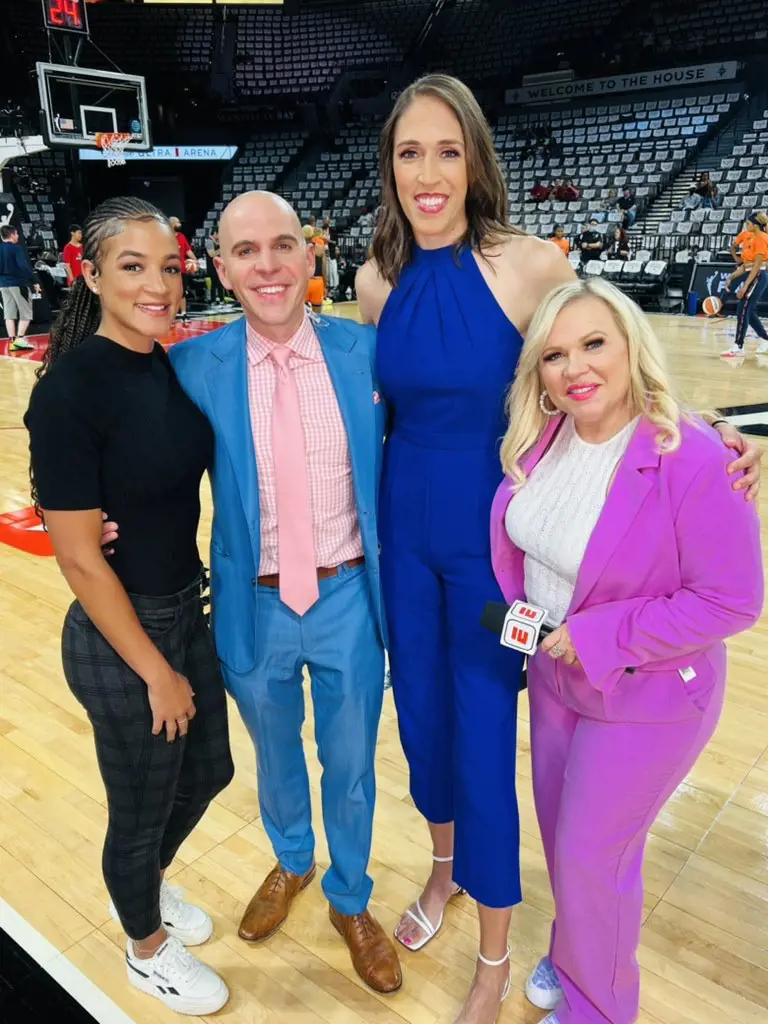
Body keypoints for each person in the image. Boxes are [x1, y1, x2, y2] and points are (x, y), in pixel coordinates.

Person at [355, 73, 762, 1024]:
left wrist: (715, 430)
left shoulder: (530, 264)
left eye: (447, 150)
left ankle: (497, 956)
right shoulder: (376, 282)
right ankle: (444, 872)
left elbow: (602, 361)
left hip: (491, 557)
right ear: (389, 165)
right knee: (421, 729)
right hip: (403, 544)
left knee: (487, 737)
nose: (428, 172)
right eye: (409, 151)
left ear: (475, 160)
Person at [121, 191, 401, 994]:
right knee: (274, 756)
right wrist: (92, 508)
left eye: (284, 246)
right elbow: (113, 422)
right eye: (247, 251)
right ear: (222, 269)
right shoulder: (190, 366)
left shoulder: (367, 353)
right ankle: (292, 862)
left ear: (310, 257)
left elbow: (471, 415)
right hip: (254, 602)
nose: (268, 264)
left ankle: (350, 897)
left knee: (349, 763)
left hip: (349, 595)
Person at [491, 277, 763, 1024]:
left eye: (593, 344)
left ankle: (598, 1009)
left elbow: (733, 600)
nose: (575, 368)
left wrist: (602, 635)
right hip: (555, 679)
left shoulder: (695, 455)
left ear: (630, 345)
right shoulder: (544, 437)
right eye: (554, 355)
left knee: (588, 855)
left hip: (648, 698)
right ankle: (579, 953)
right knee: (572, 846)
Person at [24, 198, 233, 1016]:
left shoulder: (163, 365)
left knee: (209, 770)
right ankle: (144, 946)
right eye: (133, 267)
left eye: (170, 268)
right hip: (125, 640)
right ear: (91, 274)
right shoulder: (72, 388)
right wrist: (155, 670)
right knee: (140, 810)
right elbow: (79, 554)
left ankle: (140, 889)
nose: (159, 286)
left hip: (186, 610)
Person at [721, 212, 768, 358]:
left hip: (758, 276)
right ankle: (766, 339)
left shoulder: (761, 238)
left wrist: (745, 286)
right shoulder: (754, 238)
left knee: (742, 309)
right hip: (755, 274)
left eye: (748, 224)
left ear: (755, 225)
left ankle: (738, 346)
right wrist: (731, 277)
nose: (746, 226)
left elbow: (757, 266)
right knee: (748, 310)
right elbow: (746, 266)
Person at [0, 223, 41, 351]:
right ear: (12, 234)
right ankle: (20, 340)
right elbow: (23, 267)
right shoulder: (16, 248)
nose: (17, 236)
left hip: (3, 285)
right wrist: (34, 281)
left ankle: (12, 340)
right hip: (18, 284)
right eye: (17, 233)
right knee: (26, 312)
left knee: (9, 313)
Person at [169, 216, 197, 322]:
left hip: (182, 270)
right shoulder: (166, 237)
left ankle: (184, 314)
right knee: (171, 293)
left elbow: (188, 251)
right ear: (171, 224)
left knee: (183, 292)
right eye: (177, 222)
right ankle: (171, 315)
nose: (179, 223)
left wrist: (195, 260)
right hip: (170, 270)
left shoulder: (181, 236)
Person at [303, 223, 327, 312]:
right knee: (317, 316)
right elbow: (324, 267)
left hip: (304, 282)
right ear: (312, 234)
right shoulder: (320, 248)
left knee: (302, 317)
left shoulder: (298, 249)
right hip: (317, 281)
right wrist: (326, 283)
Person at [204, 227, 227, 308]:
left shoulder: (215, 241)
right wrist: (222, 249)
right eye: (218, 234)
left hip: (218, 265)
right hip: (212, 266)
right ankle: (213, 300)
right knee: (214, 283)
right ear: (215, 233)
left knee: (220, 283)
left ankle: (221, 299)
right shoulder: (209, 241)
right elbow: (211, 254)